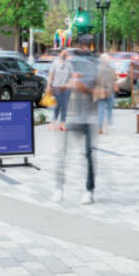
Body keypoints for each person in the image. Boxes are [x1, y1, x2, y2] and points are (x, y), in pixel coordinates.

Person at [55, 35, 100, 204]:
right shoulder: (72, 62)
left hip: (89, 115)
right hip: (72, 114)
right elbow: (60, 83)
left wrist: (85, 89)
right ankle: (59, 188)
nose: (85, 48)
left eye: (88, 45)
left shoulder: (96, 64)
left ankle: (89, 190)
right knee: (62, 153)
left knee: (88, 154)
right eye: (83, 45)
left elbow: (102, 92)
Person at [48, 50, 72, 131]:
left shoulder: (69, 64)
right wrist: (49, 85)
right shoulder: (55, 63)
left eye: (66, 53)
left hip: (66, 88)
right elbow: (51, 75)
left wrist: (70, 84)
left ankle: (62, 124)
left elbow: (72, 76)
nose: (65, 55)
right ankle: (53, 122)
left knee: (65, 106)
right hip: (57, 87)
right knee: (58, 105)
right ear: (60, 54)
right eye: (64, 53)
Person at [95, 53, 116, 134]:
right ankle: (108, 123)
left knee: (101, 108)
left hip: (100, 91)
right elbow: (115, 78)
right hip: (109, 91)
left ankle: (100, 126)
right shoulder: (111, 68)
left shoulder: (98, 68)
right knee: (109, 108)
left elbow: (96, 79)